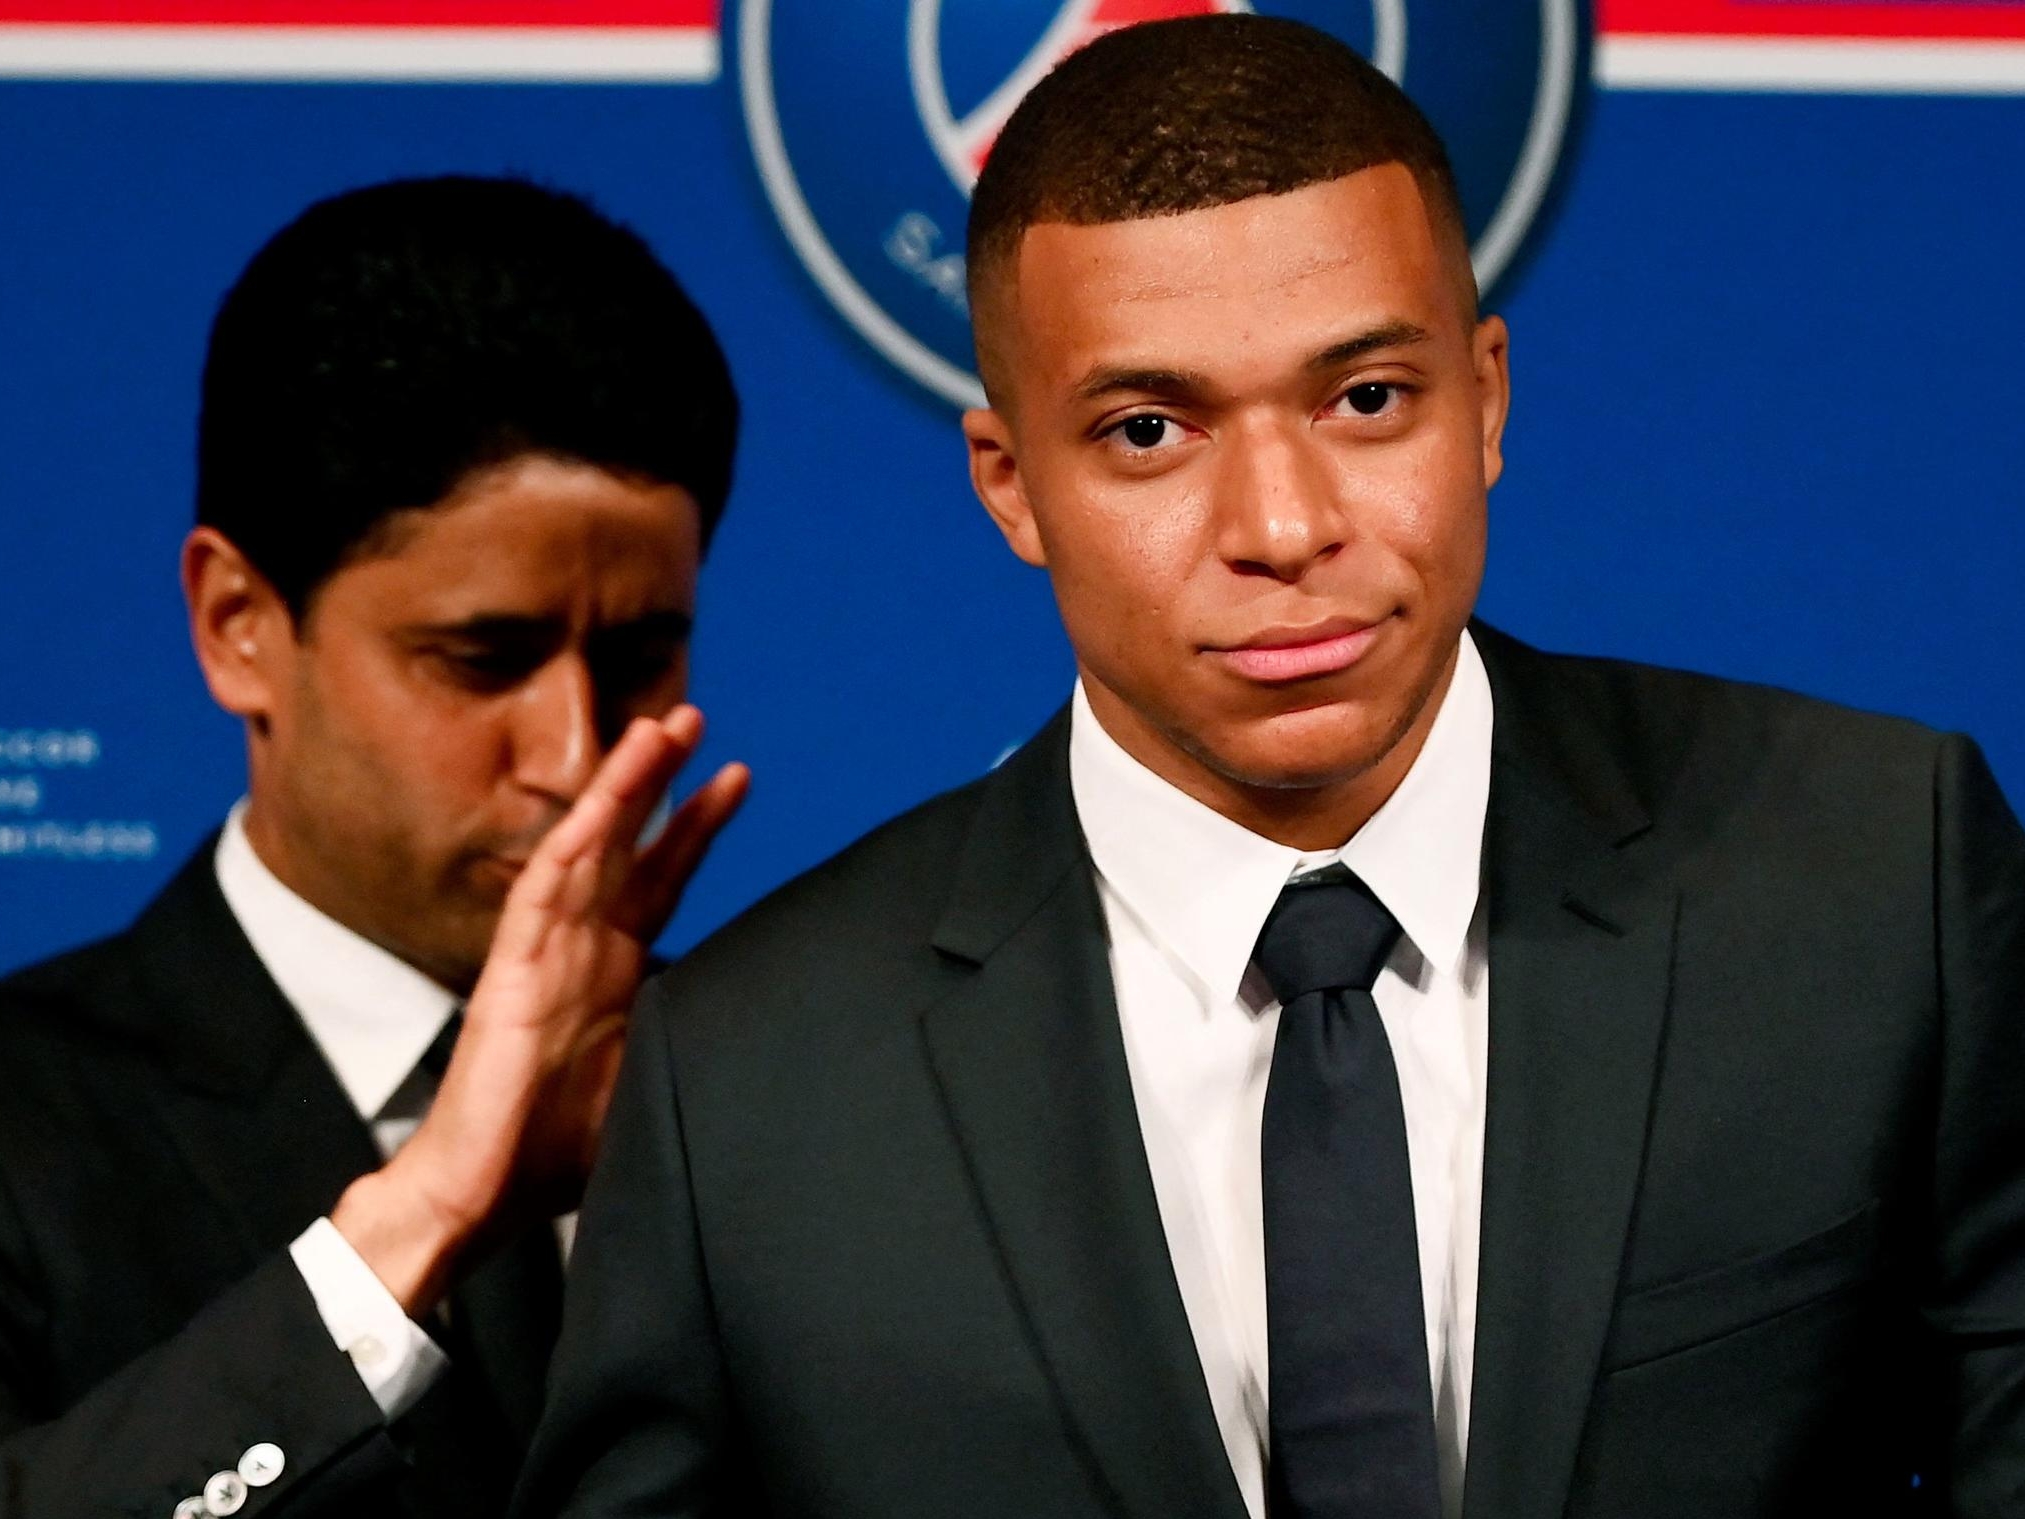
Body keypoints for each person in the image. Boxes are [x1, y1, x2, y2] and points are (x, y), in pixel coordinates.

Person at [517, 16, 2025, 1519]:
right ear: (1010, 483)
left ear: (1484, 398)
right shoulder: (745, 1083)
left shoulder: (1877, 880)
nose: (1284, 526)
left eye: (1365, 400)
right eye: (1150, 430)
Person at [0, 175, 749, 1518]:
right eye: (481, 659)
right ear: (238, 621)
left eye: (640, 659)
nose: (574, 760)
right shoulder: (23, 1126)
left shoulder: (785, 1092)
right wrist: (428, 1213)